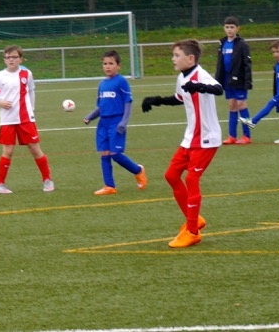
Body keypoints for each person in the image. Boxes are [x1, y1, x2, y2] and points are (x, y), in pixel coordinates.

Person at [141, 39, 222, 248]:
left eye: (177, 55)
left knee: (192, 179)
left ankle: (192, 232)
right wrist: (157, 100)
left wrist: (200, 86)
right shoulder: (182, 77)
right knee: (171, 175)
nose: (173, 59)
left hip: (206, 139)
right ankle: (195, 219)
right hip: (190, 137)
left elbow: (218, 89)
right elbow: (179, 98)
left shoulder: (201, 74)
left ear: (190, 58)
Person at [0, 45, 54, 194]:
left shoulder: (27, 74)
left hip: (25, 118)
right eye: (8, 57)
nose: (11, 60)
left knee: (35, 149)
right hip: (7, 119)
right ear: (4, 60)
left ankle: (47, 180)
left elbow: (31, 92)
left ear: (21, 59)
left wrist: (32, 110)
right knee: (8, 151)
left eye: (15, 57)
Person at [83, 50, 147, 195]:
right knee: (105, 153)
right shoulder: (102, 84)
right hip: (103, 123)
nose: (108, 66)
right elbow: (101, 106)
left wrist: (124, 122)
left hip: (116, 122)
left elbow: (128, 102)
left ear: (118, 66)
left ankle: (138, 170)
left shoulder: (121, 81)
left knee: (115, 154)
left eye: (111, 63)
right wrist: (90, 116)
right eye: (105, 64)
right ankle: (109, 186)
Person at [240, 40, 279, 144]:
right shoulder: (276, 66)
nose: (275, 54)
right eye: (273, 52)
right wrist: (275, 92)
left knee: (270, 103)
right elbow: (276, 81)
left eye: (277, 51)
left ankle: (253, 121)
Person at [215, 16, 253, 144]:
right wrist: (218, 79)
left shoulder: (242, 44)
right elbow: (220, 63)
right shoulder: (222, 43)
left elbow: (247, 64)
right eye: (227, 27)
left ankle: (247, 135)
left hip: (239, 80)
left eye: (232, 27)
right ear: (224, 28)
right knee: (232, 106)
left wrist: (248, 81)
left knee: (242, 105)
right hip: (227, 80)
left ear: (238, 28)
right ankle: (232, 136)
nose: (229, 30)